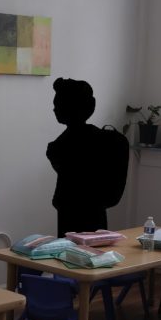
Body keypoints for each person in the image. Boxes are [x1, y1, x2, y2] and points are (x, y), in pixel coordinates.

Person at [46, 78, 128, 237]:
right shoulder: (106, 140)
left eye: (57, 104)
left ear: (68, 108)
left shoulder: (59, 147)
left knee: (73, 256)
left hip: (72, 216)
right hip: (95, 215)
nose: (54, 109)